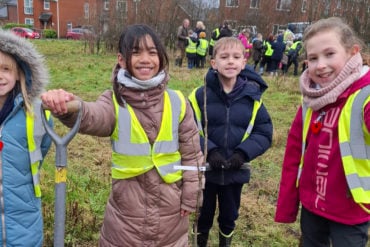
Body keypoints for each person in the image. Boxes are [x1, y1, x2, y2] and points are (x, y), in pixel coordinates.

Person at [41, 24, 204, 246]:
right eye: (136, 52)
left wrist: (192, 195)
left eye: (152, 52)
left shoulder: (178, 102)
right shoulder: (114, 101)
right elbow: (93, 116)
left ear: (162, 58)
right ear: (121, 59)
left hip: (171, 212)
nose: (145, 59)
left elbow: (192, 155)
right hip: (126, 214)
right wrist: (71, 107)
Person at [275, 17, 370, 247]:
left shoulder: (364, 96)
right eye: (313, 58)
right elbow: (294, 153)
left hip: (350, 211)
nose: (320, 65)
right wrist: (288, 205)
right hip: (312, 206)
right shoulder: (311, 99)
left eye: (330, 54)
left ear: (352, 52)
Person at [188, 37, 273, 247]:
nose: (230, 62)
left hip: (235, 172)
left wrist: (242, 154)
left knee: (229, 216)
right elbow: (187, 130)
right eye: (224, 57)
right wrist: (210, 151)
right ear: (213, 63)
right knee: (203, 215)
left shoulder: (253, 98)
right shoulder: (200, 96)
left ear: (244, 63)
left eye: (236, 57)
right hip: (205, 171)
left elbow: (264, 132)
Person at [0, 30, 53, 246]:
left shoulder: (35, 114)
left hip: (24, 219)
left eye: (6, 69)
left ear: (19, 73)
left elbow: (44, 147)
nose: (0, 75)